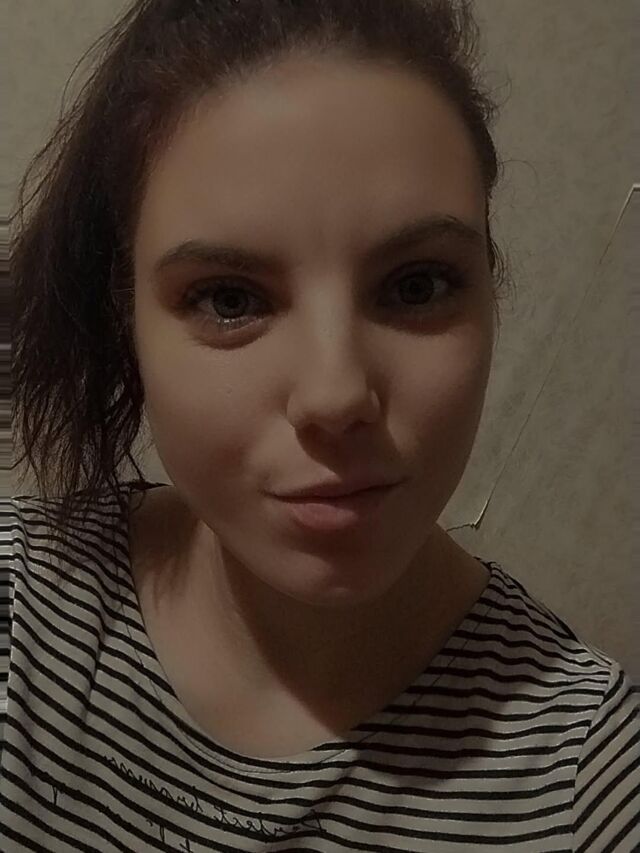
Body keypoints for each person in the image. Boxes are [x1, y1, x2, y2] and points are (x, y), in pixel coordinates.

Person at [2, 0, 638, 850]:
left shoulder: (585, 778)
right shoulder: (20, 614)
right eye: (230, 298)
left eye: (416, 286)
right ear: (127, 322)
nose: (337, 394)